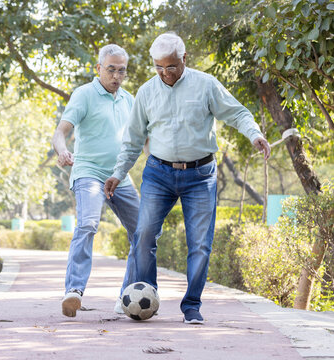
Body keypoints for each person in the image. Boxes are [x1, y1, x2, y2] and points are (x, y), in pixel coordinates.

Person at [104, 33, 271, 324]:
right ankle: (146, 295)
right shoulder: (146, 92)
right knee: (143, 235)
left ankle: (191, 305)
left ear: (184, 60)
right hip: (158, 173)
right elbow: (132, 141)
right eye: (158, 67)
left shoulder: (205, 85)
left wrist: (254, 134)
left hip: (200, 175)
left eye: (171, 66)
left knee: (200, 245)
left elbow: (237, 113)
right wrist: (118, 173)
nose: (165, 73)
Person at [52, 44, 140, 317]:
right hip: (88, 172)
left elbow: (145, 139)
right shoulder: (85, 95)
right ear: (99, 68)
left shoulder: (129, 100)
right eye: (110, 69)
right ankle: (74, 291)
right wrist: (63, 150)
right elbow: (60, 132)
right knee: (89, 223)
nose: (116, 76)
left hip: (120, 177)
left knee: (144, 231)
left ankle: (127, 295)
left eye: (121, 71)